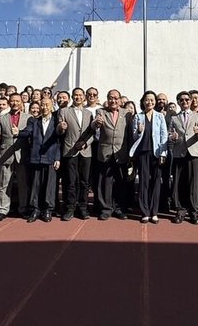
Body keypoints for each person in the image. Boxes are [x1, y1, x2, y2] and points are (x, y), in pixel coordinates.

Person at [90, 89, 132, 220]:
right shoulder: (101, 112)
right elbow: (94, 125)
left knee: (120, 182)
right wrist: (96, 123)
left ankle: (119, 208)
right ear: (107, 99)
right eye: (110, 98)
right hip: (105, 152)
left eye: (115, 98)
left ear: (119, 100)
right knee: (104, 183)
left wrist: (131, 153)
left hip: (121, 152)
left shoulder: (127, 114)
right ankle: (106, 209)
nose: (113, 100)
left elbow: (130, 135)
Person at [130, 91, 168, 224]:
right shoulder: (138, 117)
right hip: (143, 153)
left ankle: (154, 212)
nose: (149, 102)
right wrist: (139, 131)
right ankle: (145, 212)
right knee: (143, 183)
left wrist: (163, 153)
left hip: (156, 153)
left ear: (155, 102)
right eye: (147, 100)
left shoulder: (160, 116)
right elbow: (134, 137)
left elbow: (164, 136)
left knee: (156, 182)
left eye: (152, 100)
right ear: (143, 101)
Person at [0, 93, 31, 220]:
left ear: (21, 102)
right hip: (6, 154)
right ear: (9, 102)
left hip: (22, 154)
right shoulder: (2, 118)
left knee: (23, 183)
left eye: (17, 101)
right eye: (12, 101)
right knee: (4, 183)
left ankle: (23, 208)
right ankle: (3, 209)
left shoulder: (28, 118)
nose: (15, 103)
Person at [56, 87, 94, 221]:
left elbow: (92, 133)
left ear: (84, 97)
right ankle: (69, 208)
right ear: (72, 97)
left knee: (84, 182)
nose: (78, 97)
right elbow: (59, 131)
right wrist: (61, 128)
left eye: (80, 95)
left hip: (85, 151)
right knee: (70, 181)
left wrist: (85, 143)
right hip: (69, 150)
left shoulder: (89, 113)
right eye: (75, 95)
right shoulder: (64, 111)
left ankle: (82, 208)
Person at [20, 98, 61, 222]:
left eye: (47, 105)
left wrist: (57, 158)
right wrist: (17, 132)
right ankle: (35, 209)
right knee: (35, 185)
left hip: (50, 157)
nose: (44, 107)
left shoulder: (56, 121)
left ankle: (48, 209)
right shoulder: (33, 121)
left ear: (51, 106)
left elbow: (59, 142)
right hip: (36, 157)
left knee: (50, 185)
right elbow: (27, 132)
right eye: (42, 105)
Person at [168, 91, 198, 224]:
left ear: (190, 101)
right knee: (179, 183)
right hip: (179, 153)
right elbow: (170, 135)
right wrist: (172, 137)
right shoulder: (174, 118)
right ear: (178, 102)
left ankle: (194, 212)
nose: (184, 102)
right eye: (181, 100)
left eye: (187, 100)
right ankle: (181, 211)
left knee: (194, 184)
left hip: (194, 153)